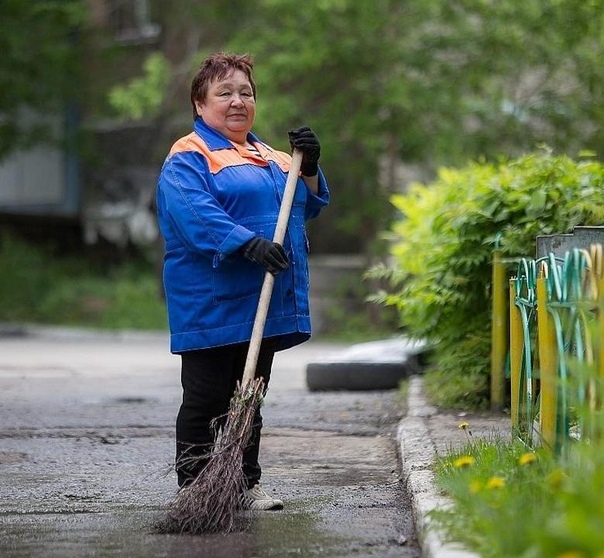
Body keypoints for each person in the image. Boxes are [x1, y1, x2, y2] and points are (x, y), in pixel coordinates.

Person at [155, 52, 329, 510]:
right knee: (207, 397)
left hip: (262, 301)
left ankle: (245, 483)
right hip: (211, 299)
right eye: (224, 93)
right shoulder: (189, 155)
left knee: (249, 395)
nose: (237, 101)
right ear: (200, 102)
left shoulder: (272, 157)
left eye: (246, 93)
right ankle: (195, 486)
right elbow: (193, 211)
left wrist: (308, 165)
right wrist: (245, 243)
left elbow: (305, 206)